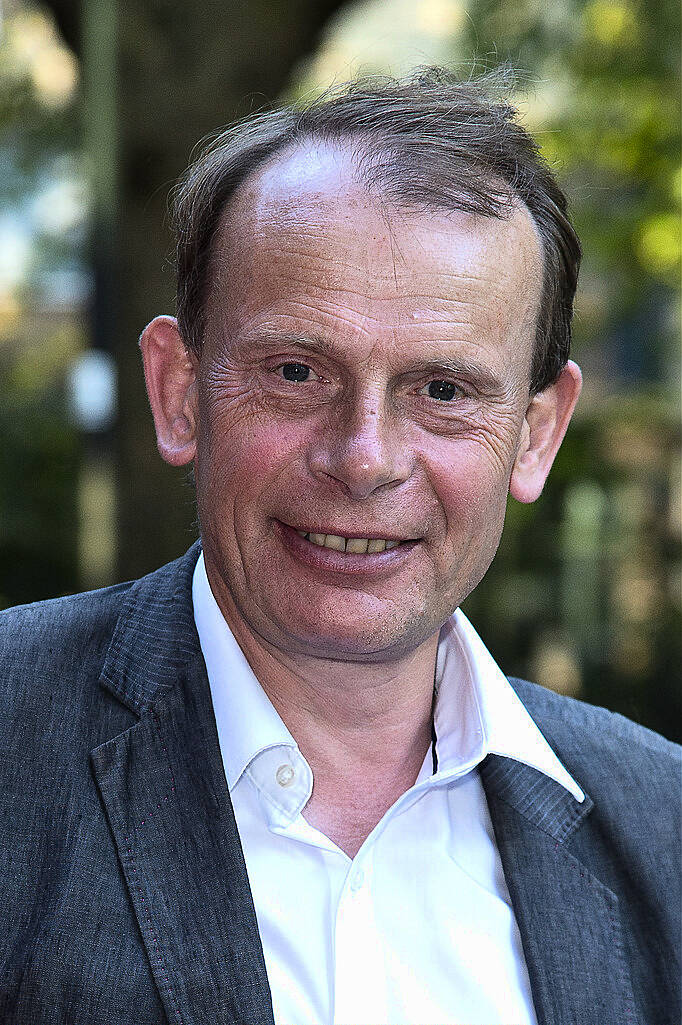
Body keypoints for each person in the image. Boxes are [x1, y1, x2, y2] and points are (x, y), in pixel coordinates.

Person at [0, 69, 679, 1025]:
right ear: (179, 392)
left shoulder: (664, 827)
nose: (365, 458)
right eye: (296, 370)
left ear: (536, 434)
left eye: (443, 390)